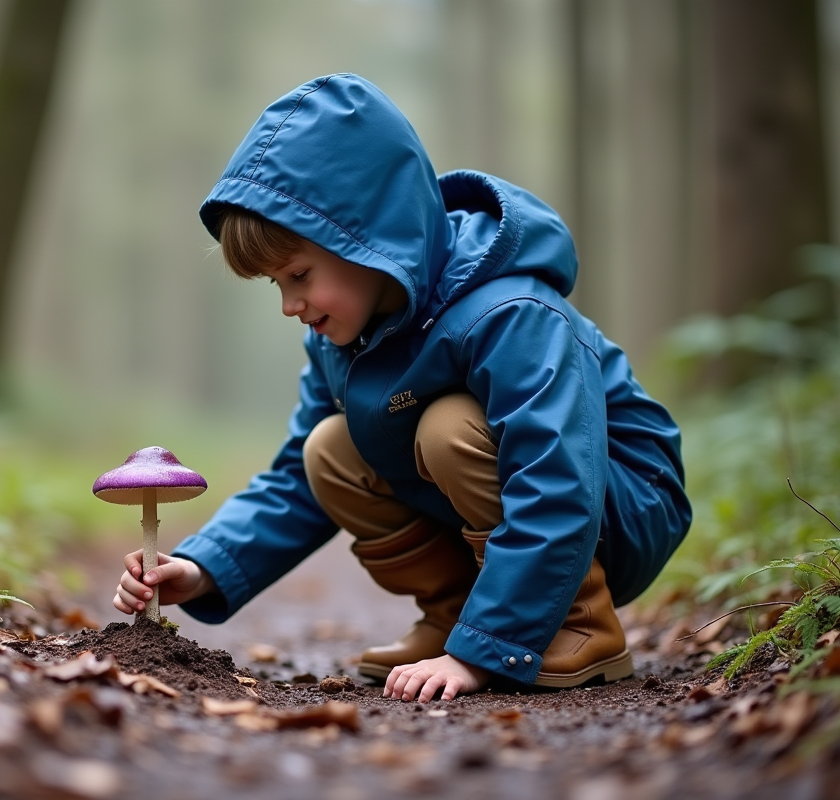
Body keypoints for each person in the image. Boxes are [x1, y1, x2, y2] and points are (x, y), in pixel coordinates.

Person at [112, 74, 692, 703]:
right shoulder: (343, 340)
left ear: (365, 238)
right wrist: (203, 569)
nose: (290, 305)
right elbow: (297, 481)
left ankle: (577, 624)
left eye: (299, 274)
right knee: (328, 449)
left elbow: (556, 472)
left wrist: (487, 655)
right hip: (540, 499)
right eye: (276, 285)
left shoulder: (509, 311)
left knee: (449, 428)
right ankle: (454, 619)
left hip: (618, 502)